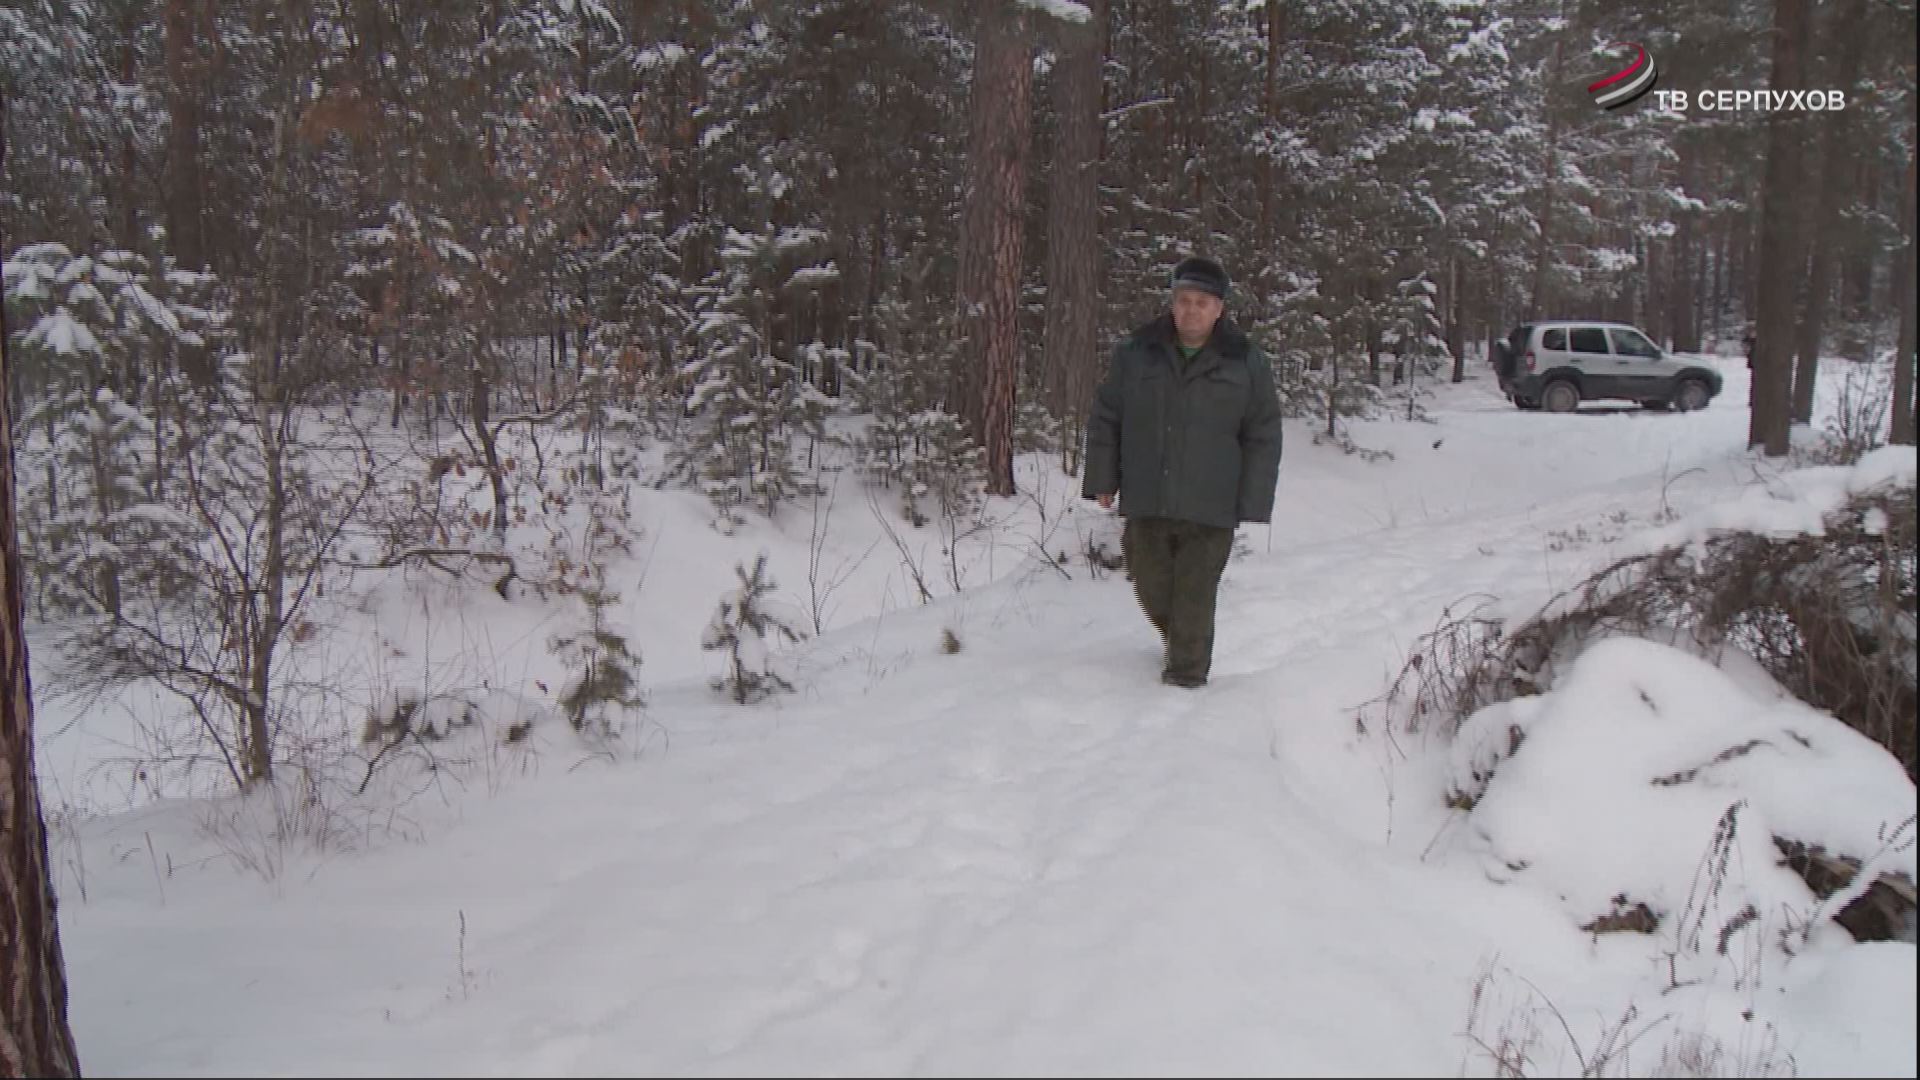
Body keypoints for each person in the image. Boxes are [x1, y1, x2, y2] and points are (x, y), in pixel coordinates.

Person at [1081, 256, 1284, 688]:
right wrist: (1103, 479)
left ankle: (1186, 682)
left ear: (1219, 309)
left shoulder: (1245, 361)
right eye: (1184, 300)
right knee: (1151, 585)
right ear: (1172, 304)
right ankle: (1183, 643)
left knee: (1194, 593)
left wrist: (1253, 500)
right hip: (1148, 492)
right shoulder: (1136, 353)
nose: (1191, 310)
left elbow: (1263, 434)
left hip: (1212, 502)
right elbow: (1107, 416)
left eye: (1202, 302)